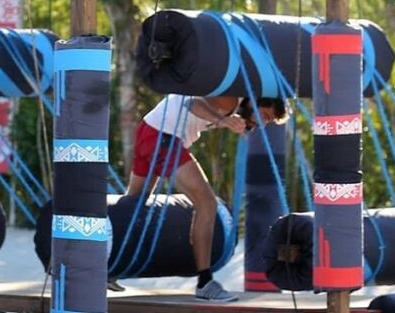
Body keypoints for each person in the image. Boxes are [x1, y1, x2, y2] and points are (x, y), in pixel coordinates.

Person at [122, 94, 288, 302]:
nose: (261, 123)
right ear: (254, 101)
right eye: (263, 115)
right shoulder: (230, 100)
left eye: (267, 121)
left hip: (149, 129)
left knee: (134, 204)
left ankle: (109, 268)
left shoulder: (233, 106)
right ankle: (205, 283)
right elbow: (192, 103)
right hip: (164, 137)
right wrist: (222, 120)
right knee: (207, 203)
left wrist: (227, 121)